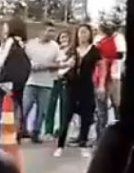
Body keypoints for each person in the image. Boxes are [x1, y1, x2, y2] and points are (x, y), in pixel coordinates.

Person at [54, 24, 100, 158]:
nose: (83, 35)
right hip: (71, 85)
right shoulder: (71, 50)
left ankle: (83, 144)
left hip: (87, 86)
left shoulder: (94, 51)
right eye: (81, 32)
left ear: (90, 35)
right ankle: (60, 145)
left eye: (86, 32)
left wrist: (100, 84)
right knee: (66, 115)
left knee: (86, 115)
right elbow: (60, 67)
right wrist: (68, 65)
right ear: (77, 34)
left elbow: (99, 68)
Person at [22, 22, 65, 144]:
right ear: (41, 31)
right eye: (49, 30)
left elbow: (59, 63)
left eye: (53, 31)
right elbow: (24, 60)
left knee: (42, 110)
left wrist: (46, 66)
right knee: (25, 107)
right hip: (30, 81)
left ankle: (36, 132)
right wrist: (31, 66)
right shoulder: (31, 45)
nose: (51, 34)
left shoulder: (55, 47)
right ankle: (20, 129)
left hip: (46, 82)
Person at [0, 18, 32, 140]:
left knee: (2, 108)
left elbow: (0, 61)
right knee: (15, 106)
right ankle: (15, 132)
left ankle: (2, 134)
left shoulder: (10, 42)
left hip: (6, 80)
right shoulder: (23, 43)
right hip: (19, 81)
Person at [93, 23, 125, 141]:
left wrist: (106, 56)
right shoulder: (98, 38)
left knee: (117, 105)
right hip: (99, 76)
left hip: (114, 76)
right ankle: (100, 137)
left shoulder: (119, 38)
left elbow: (120, 54)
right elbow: (94, 55)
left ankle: (119, 136)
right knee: (101, 108)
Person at [43, 30, 73, 138]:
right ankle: (48, 130)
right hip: (54, 79)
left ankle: (61, 130)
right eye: (62, 37)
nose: (63, 39)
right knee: (51, 104)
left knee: (64, 105)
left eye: (66, 37)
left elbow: (71, 64)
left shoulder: (72, 51)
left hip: (65, 78)